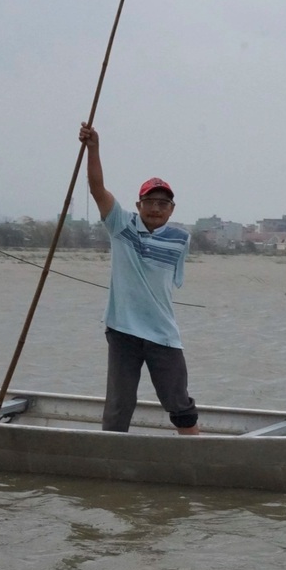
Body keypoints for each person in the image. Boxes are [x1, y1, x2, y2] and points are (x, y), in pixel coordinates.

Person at [78, 122, 200, 435]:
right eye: (150, 202)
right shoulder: (121, 226)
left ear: (172, 209)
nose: (156, 209)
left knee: (179, 403)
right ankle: (111, 458)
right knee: (119, 405)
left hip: (162, 333)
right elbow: (97, 189)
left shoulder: (180, 239)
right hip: (123, 331)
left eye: (163, 204)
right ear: (138, 205)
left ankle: (196, 453)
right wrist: (94, 148)